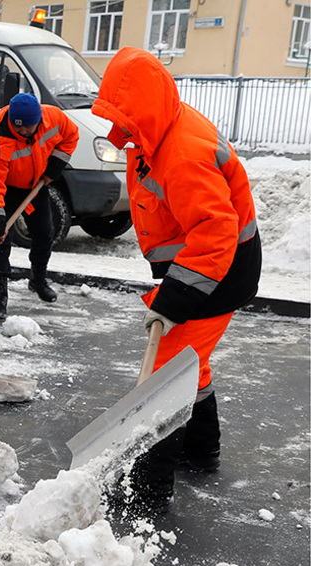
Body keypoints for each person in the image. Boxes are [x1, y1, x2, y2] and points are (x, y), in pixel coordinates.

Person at [93, 48, 261, 517]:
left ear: (145, 108)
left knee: (165, 375)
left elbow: (214, 232)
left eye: (125, 119)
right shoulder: (152, 133)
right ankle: (201, 452)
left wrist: (176, 297)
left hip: (217, 271)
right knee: (192, 361)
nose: (119, 132)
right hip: (200, 264)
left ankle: (148, 493)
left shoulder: (183, 150)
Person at [0, 92, 79, 320]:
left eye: (28, 127)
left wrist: (54, 167)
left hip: (36, 185)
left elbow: (71, 136)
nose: (24, 131)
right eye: (18, 127)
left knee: (45, 234)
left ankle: (38, 279)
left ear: (39, 120)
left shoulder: (53, 118)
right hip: (6, 190)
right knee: (0, 242)